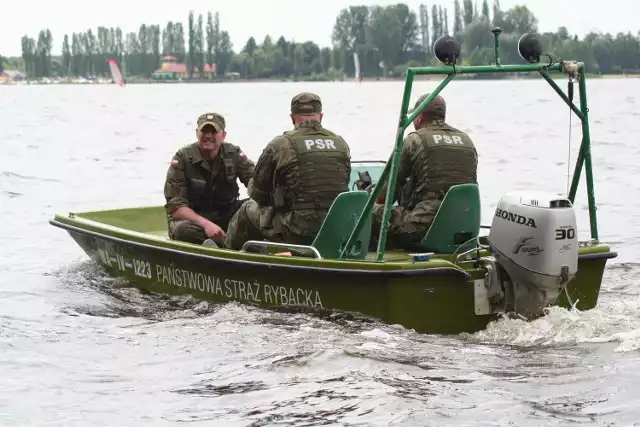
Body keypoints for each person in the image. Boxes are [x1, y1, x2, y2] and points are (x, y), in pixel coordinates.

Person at [224, 92, 352, 251]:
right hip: (336, 227)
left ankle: (230, 258)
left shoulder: (281, 144)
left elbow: (257, 193)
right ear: (321, 116)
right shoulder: (341, 144)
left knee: (246, 210)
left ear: (292, 117)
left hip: (298, 230)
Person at [371, 93, 478, 250]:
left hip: (424, 227)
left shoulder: (414, 140)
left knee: (371, 211)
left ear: (419, 116)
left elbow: (387, 193)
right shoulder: (466, 141)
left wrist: (373, 203)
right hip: (462, 226)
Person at [164, 112, 255, 246]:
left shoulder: (233, 153)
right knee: (181, 230)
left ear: (223, 135)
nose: (208, 136)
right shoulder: (183, 157)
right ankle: (228, 243)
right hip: (195, 219)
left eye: (213, 132)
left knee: (256, 208)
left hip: (226, 214)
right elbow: (176, 207)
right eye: (204, 131)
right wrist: (207, 225)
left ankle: (226, 242)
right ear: (197, 133)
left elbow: (257, 184)